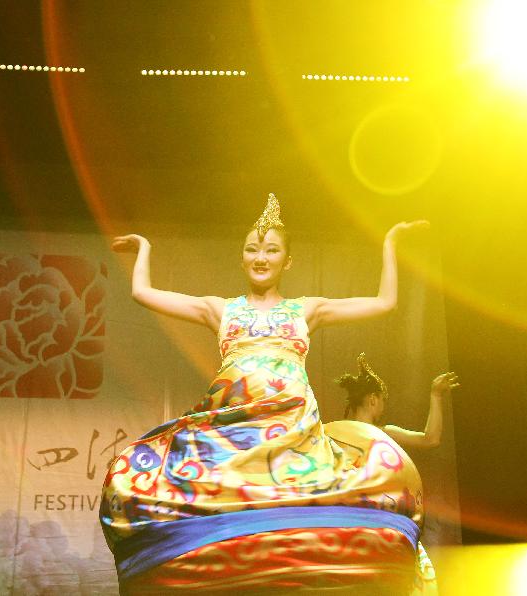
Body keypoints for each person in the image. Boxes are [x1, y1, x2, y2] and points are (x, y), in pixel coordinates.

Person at [101, 193, 431, 594]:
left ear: (286, 261)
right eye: (252, 248)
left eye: (272, 250)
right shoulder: (220, 309)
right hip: (233, 424)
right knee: (168, 484)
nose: (261, 256)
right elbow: (145, 294)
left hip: (291, 425)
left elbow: (385, 302)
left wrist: (390, 244)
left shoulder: (306, 309)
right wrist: (144, 250)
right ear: (242, 258)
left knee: (316, 495)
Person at [333, 353, 459, 449]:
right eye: (383, 400)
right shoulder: (384, 433)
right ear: (373, 399)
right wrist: (436, 395)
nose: (383, 408)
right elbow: (430, 440)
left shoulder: (337, 433)